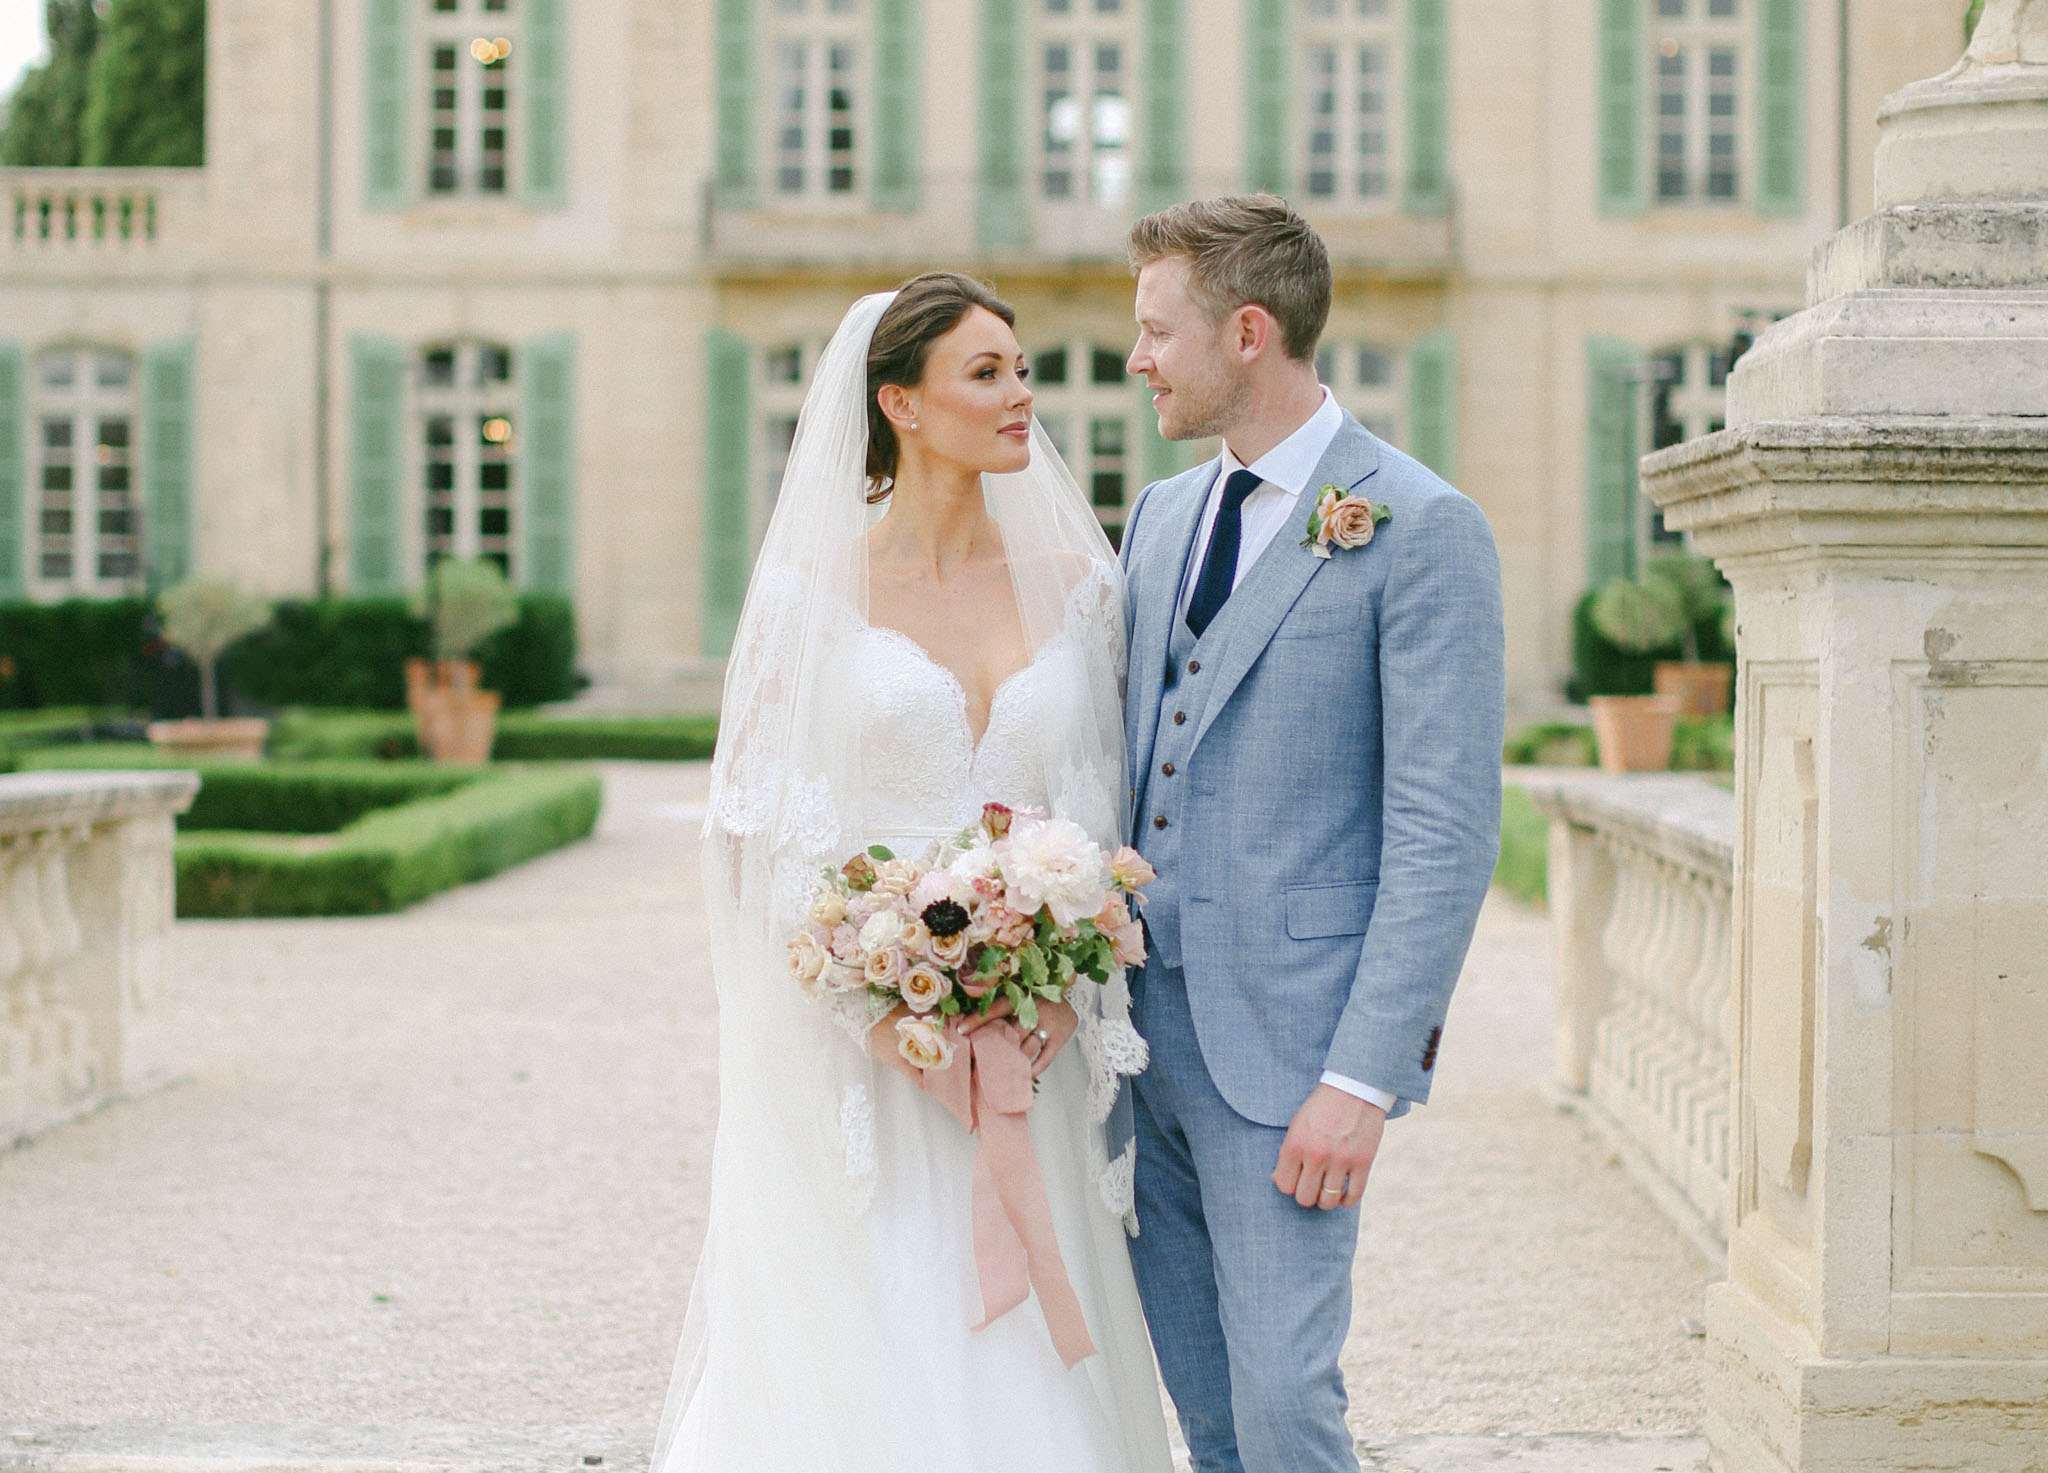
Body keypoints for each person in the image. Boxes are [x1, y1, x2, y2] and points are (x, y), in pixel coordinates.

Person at [650, 273, 1173, 1473]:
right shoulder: (811, 595)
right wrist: (874, 1001)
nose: (1020, 398)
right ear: (898, 402)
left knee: (1034, 1356)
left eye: (1021, 369)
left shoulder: (1079, 589)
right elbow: (754, 839)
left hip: (1034, 1052)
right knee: (875, 1327)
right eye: (984, 374)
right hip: (870, 1057)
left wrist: (1055, 981)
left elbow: (1100, 818)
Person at [1117, 195, 1506, 1472]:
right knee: (1207, 1409)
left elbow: (1442, 833)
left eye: (1155, 331)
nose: (1136, 360)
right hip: (1130, 1045)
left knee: (1286, 1409)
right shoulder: (1160, 519)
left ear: (1245, 331)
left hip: (1289, 1058)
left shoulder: (1422, 525)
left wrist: (1362, 1079)